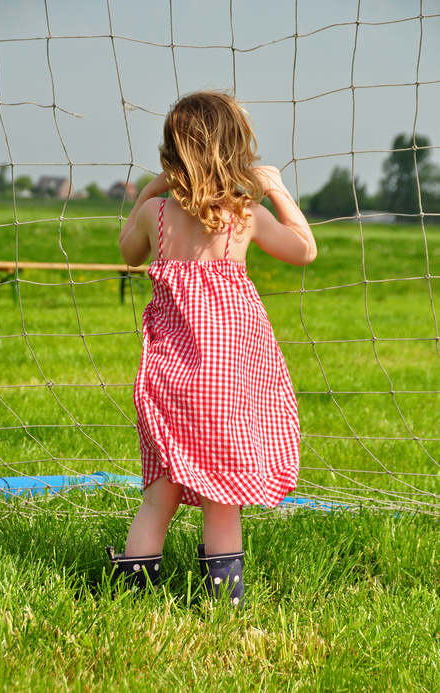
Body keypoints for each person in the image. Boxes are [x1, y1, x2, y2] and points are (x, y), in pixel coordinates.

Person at [106, 90, 317, 605]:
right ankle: (224, 602)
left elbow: (126, 249)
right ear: (234, 152)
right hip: (225, 384)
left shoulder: (157, 215)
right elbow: (305, 250)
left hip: (168, 380)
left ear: (172, 152)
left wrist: (149, 190)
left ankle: (134, 595)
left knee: (159, 496)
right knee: (225, 499)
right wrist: (277, 190)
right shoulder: (243, 217)